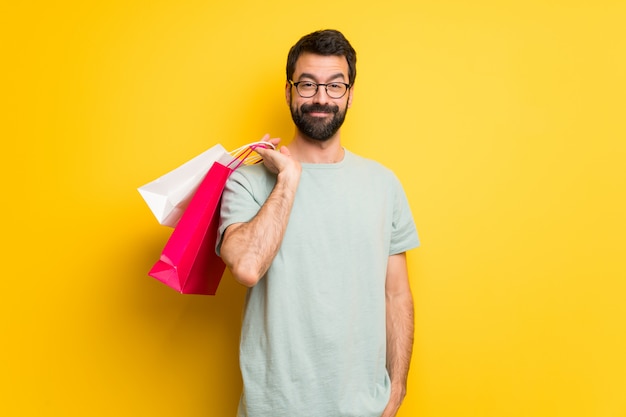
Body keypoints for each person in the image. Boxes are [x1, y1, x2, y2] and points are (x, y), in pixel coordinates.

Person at [217, 29, 420, 417]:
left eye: (335, 86)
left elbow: (396, 294)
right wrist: (289, 180)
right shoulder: (247, 181)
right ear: (289, 91)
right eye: (308, 85)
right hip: (274, 409)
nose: (322, 98)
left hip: (364, 409)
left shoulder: (383, 184)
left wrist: (396, 392)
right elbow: (245, 267)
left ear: (350, 93)